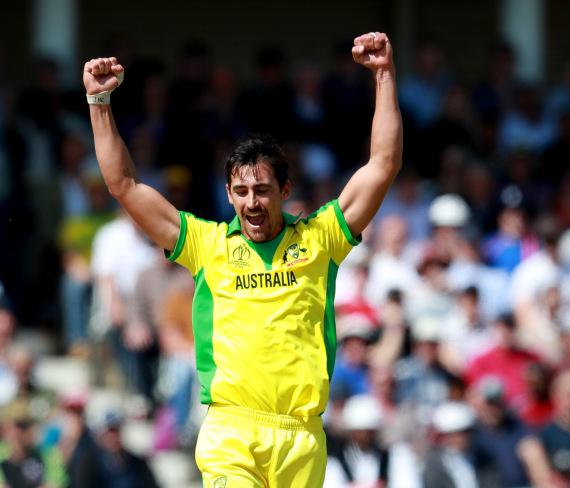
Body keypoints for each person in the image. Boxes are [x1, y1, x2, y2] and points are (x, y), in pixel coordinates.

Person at [83, 30, 402, 487]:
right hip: (232, 431)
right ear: (229, 194)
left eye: (263, 190)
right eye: (241, 191)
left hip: (302, 436)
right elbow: (125, 187)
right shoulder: (207, 244)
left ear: (285, 191)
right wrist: (99, 105)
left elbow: (383, 164)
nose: (252, 202)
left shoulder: (321, 238)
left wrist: (384, 75)